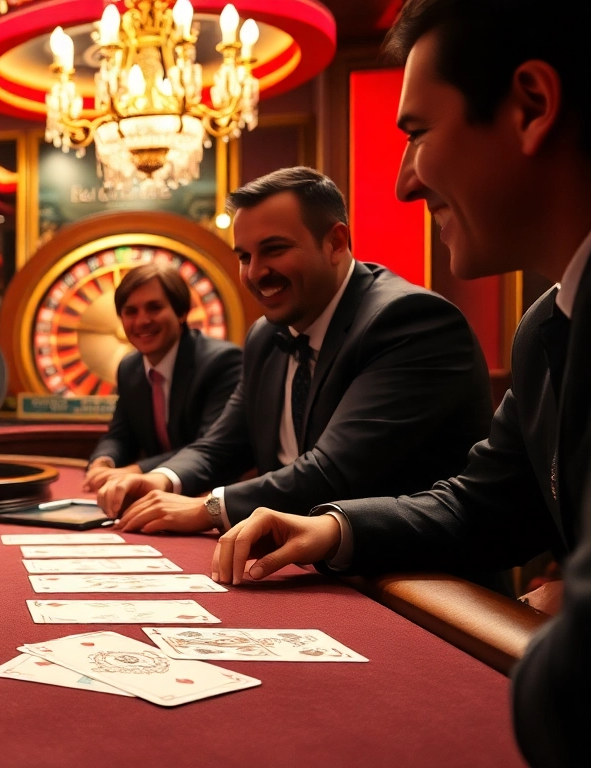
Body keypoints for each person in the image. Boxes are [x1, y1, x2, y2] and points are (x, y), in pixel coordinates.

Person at [203, 2, 590, 764]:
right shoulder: (549, 325)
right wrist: (334, 528)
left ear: (532, 108)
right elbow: (484, 504)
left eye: (416, 132)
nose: (406, 182)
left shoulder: (415, 321)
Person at [97, 167, 492, 535]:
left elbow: (335, 471)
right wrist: (162, 478)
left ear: (336, 242)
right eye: (245, 256)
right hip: (296, 561)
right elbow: (222, 444)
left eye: (274, 249)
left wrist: (209, 508)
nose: (255, 273)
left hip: (412, 583)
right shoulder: (265, 336)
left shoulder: (407, 321)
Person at [82, 261, 242, 493]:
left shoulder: (220, 362)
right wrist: (103, 462)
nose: (142, 321)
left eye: (154, 308)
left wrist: (136, 470)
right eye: (130, 311)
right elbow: (119, 435)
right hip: (158, 495)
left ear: (181, 313)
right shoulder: (129, 367)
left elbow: (210, 447)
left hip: (212, 495)